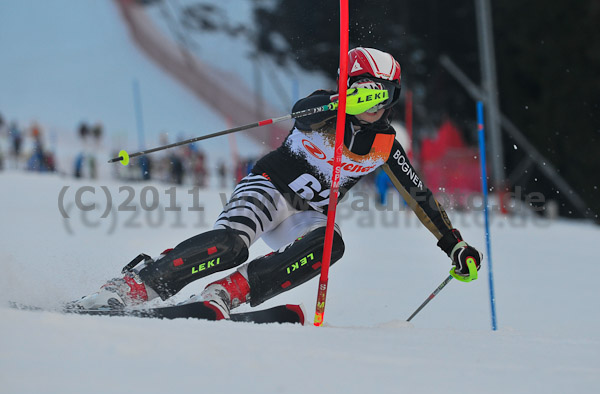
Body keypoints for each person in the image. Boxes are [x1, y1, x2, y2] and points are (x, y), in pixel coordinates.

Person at [73, 47, 482, 318]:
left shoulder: (387, 145)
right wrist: (340, 103)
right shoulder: (325, 109)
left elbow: (420, 197)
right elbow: (302, 112)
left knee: (330, 244)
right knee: (230, 245)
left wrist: (454, 244)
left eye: (384, 96)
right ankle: (135, 284)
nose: (374, 105)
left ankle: (228, 292)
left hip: (309, 214)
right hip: (269, 187)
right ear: (348, 88)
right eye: (365, 93)